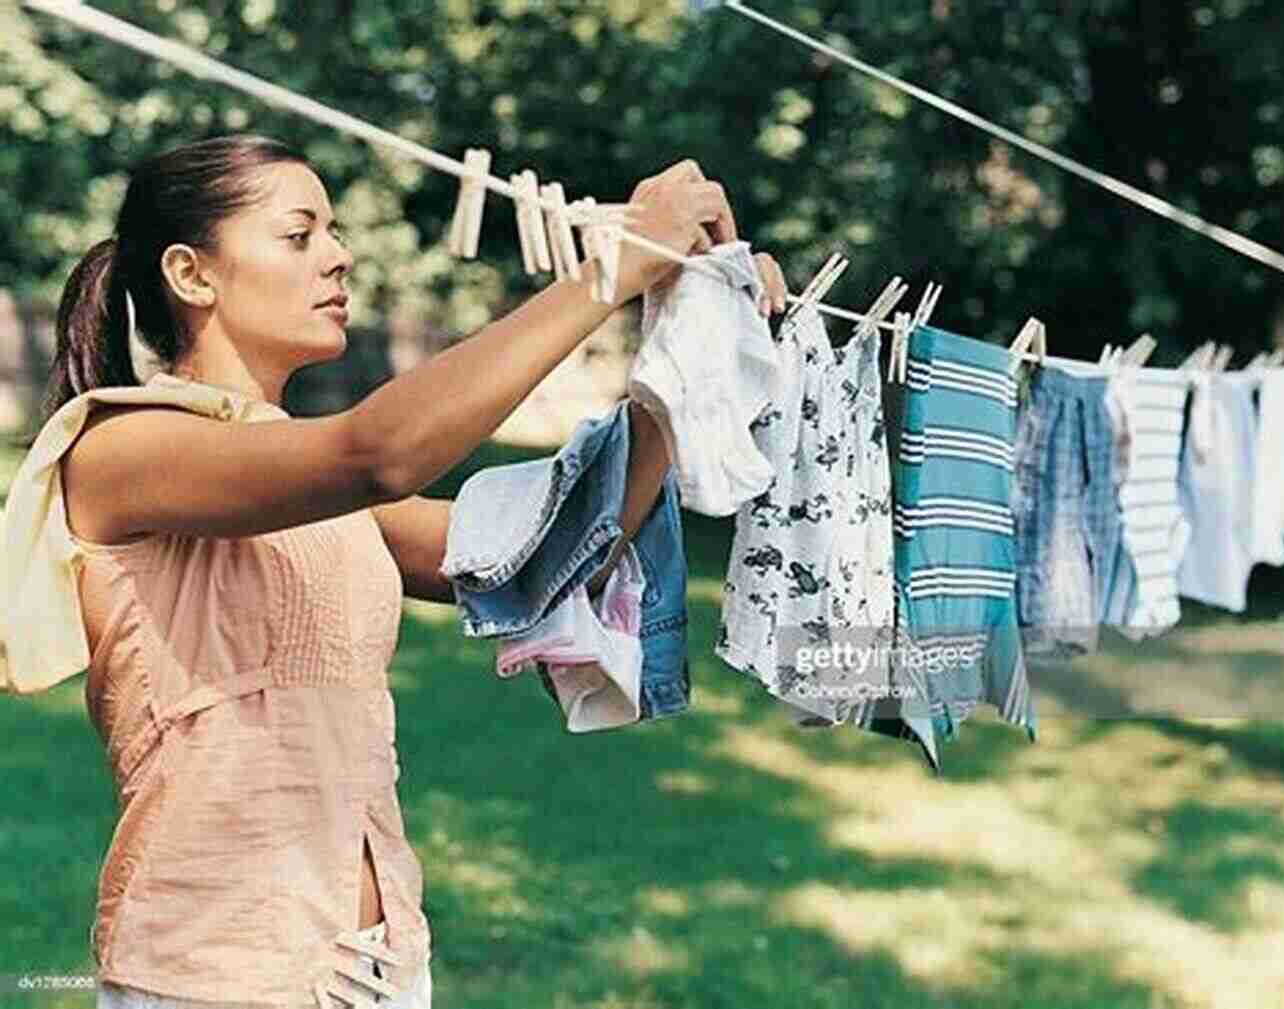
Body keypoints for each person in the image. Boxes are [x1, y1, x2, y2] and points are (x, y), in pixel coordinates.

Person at [25, 133, 788, 1007]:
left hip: (382, 966)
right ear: (192, 274)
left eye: (334, 231)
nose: (340, 256)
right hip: (214, 972)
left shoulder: (307, 482)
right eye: (299, 234)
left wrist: (695, 328)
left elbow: (559, 546)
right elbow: (378, 451)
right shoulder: (121, 449)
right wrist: (610, 268)